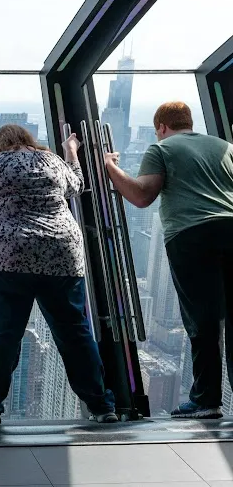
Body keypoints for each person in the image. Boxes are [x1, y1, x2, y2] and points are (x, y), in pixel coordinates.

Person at [0, 124, 117, 425]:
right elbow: (77, 184)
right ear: (29, 141)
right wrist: (71, 151)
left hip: (9, 257)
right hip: (61, 255)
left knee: (5, 334)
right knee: (75, 333)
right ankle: (102, 406)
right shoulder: (52, 161)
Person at [104, 101, 233, 420]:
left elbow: (141, 195)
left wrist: (109, 166)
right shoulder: (225, 147)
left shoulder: (162, 149)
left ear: (161, 127)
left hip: (191, 236)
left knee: (203, 320)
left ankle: (206, 400)